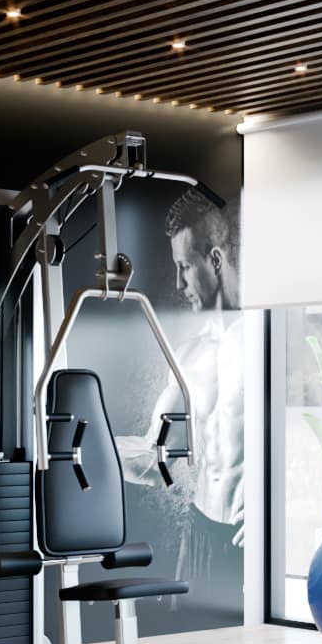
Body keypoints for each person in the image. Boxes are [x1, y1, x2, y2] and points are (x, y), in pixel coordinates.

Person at [117, 188, 249, 541]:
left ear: (216, 260)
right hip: (201, 528)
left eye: (186, 267)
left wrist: (278, 511)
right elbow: (154, 460)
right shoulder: (189, 355)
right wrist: (82, 448)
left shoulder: (266, 344)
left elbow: (312, 445)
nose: (178, 283)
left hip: (248, 535)